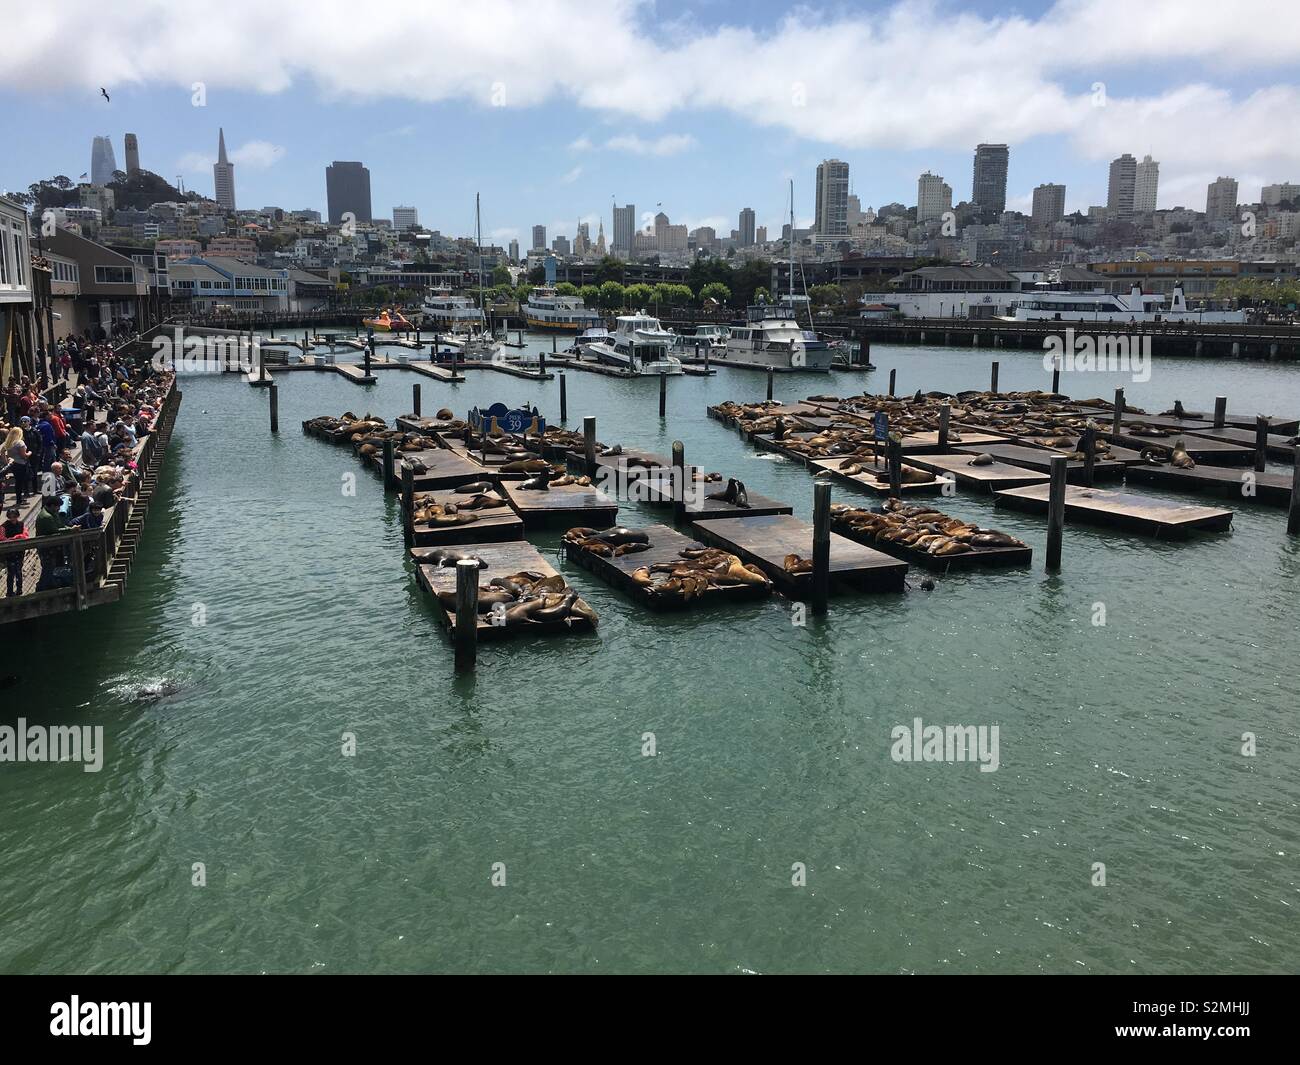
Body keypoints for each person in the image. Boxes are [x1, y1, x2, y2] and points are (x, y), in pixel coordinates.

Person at [34, 495, 65, 591]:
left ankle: (51, 585)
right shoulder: (46, 517)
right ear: (52, 506)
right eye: (57, 506)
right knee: (48, 567)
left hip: (51, 546)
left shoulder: (52, 513)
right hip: (46, 547)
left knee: (51, 567)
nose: (59, 508)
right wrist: (71, 530)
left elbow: (60, 525)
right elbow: (55, 530)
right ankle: (41, 588)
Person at [0, 506, 26, 596]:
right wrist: (14, 539)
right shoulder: (3, 526)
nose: (13, 518)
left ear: (17, 516)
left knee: (19, 571)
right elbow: (2, 538)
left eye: (14, 516)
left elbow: (25, 535)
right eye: (11, 516)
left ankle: (19, 589)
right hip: (9, 552)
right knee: (11, 573)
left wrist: (17, 538)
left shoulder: (21, 524)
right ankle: (9, 591)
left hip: (19, 551)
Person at [2, 426, 31, 506]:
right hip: (21, 464)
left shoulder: (8, 442)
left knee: (18, 482)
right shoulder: (20, 442)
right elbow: (23, 455)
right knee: (21, 482)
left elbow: (2, 453)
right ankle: (20, 499)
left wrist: (6, 461)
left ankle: (20, 499)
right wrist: (29, 453)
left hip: (13, 464)